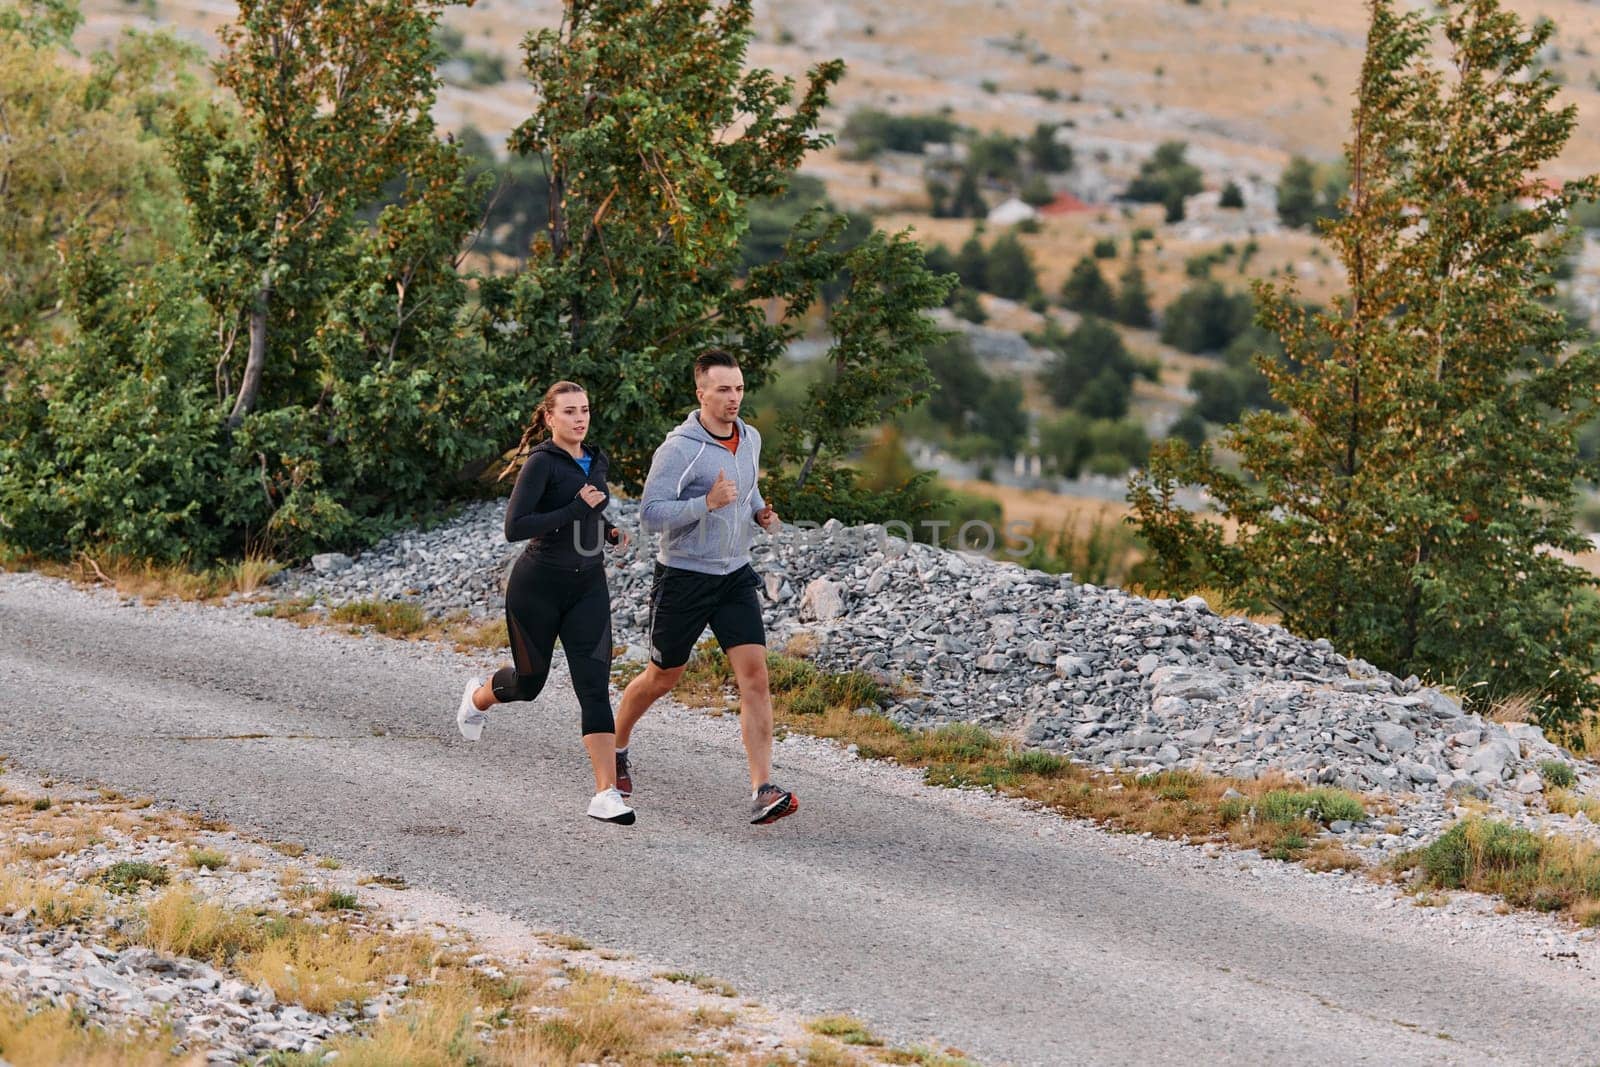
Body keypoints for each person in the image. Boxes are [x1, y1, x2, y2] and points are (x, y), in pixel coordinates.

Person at [612, 349, 796, 825]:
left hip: (734, 574)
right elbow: (650, 515)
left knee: (755, 677)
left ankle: (761, 788)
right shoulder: (679, 448)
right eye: (723, 389)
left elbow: (748, 485)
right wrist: (707, 504)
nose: (734, 397)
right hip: (684, 577)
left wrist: (759, 512)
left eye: (738, 388)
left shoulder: (750, 437)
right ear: (701, 393)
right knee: (662, 678)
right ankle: (614, 744)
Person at [455, 381, 635, 826]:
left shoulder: (596, 458)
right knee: (528, 685)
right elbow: (515, 527)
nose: (579, 418)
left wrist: (607, 528)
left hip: (589, 588)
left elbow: (591, 505)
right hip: (536, 588)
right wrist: (577, 509)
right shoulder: (541, 463)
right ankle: (478, 697)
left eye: (585, 410)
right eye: (569, 411)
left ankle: (605, 794)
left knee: (593, 688)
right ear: (550, 418)